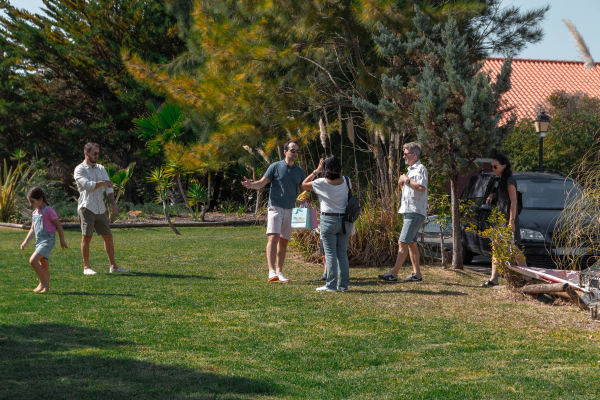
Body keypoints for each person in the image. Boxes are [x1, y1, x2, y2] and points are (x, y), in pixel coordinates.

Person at [242, 140, 306, 282]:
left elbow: (303, 192)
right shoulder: (275, 166)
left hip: (290, 210)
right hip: (275, 207)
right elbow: (262, 182)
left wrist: (304, 201)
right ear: (285, 152)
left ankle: (280, 271)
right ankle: (271, 271)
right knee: (273, 237)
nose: (295, 153)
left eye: (297, 151)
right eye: (292, 150)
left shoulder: (300, 171)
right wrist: (251, 185)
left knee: (283, 242)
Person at [74, 142, 129, 275]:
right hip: (86, 207)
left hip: (100, 208)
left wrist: (112, 201)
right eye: (94, 153)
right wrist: (104, 182)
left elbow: (109, 187)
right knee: (87, 237)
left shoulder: (100, 168)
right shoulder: (79, 169)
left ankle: (113, 267)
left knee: (108, 237)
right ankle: (87, 267)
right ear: (86, 154)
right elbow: (88, 185)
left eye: (98, 153)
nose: (97, 156)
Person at [379, 142, 428, 283]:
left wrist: (406, 179)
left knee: (403, 242)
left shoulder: (420, 169)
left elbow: (421, 187)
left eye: (406, 153)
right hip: (410, 210)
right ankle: (417, 274)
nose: (404, 156)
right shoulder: (411, 169)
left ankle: (393, 274)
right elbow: (412, 189)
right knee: (412, 243)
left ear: (414, 154)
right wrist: (404, 184)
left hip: (414, 211)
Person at [302, 155, 351, 292]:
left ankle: (330, 285)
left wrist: (316, 171)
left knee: (330, 254)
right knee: (342, 254)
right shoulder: (347, 181)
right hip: (344, 221)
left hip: (328, 220)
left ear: (325, 168)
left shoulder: (321, 182)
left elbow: (303, 184)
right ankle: (343, 286)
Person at [482, 154, 524, 287]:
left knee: (514, 246)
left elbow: (513, 200)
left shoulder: (510, 180)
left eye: (495, 166)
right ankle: (494, 278)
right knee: (496, 246)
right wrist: (494, 195)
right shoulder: (500, 180)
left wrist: (511, 221)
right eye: (491, 166)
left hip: (507, 218)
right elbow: (504, 196)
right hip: (500, 217)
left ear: (504, 166)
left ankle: (527, 276)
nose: (493, 168)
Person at [20, 187, 68, 293]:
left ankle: (43, 282)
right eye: (29, 201)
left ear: (40, 199)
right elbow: (33, 228)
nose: (30, 204)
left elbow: (58, 226)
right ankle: (46, 288)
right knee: (44, 266)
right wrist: (25, 242)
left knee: (33, 260)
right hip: (39, 241)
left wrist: (62, 240)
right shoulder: (34, 213)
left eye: (32, 201)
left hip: (48, 241)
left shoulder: (49, 211)